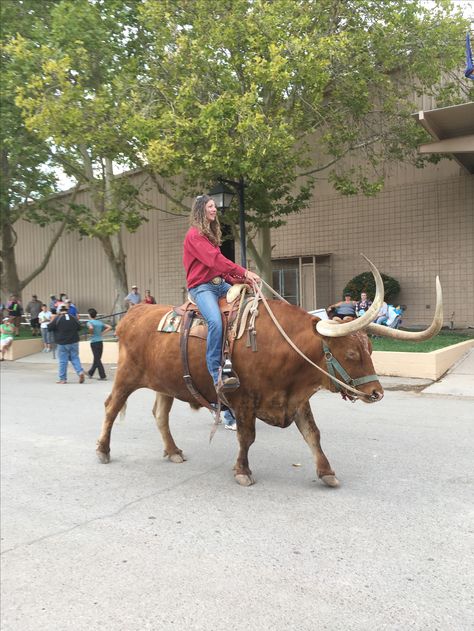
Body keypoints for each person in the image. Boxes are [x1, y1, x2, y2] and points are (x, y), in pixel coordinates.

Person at [183, 194, 260, 391]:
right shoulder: (194, 235)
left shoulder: (208, 235)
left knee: (249, 303)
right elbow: (215, 261)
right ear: (201, 210)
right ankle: (215, 370)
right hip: (202, 287)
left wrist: (244, 280)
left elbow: (220, 269)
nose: (214, 209)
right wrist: (244, 271)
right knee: (215, 321)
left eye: (214, 206)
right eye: (210, 206)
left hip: (220, 284)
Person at [47, 304, 86, 384]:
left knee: (63, 361)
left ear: (59, 311)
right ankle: (80, 372)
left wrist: (52, 319)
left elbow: (49, 328)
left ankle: (63, 379)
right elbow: (79, 328)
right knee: (75, 358)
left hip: (62, 342)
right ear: (67, 310)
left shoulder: (57, 318)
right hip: (74, 341)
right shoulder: (73, 317)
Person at [86, 308, 112, 380]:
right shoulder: (99, 322)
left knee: (97, 359)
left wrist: (91, 333)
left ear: (90, 315)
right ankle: (90, 373)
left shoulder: (89, 322)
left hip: (94, 342)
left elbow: (91, 328)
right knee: (97, 358)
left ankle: (103, 376)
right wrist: (102, 333)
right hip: (100, 342)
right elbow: (110, 327)